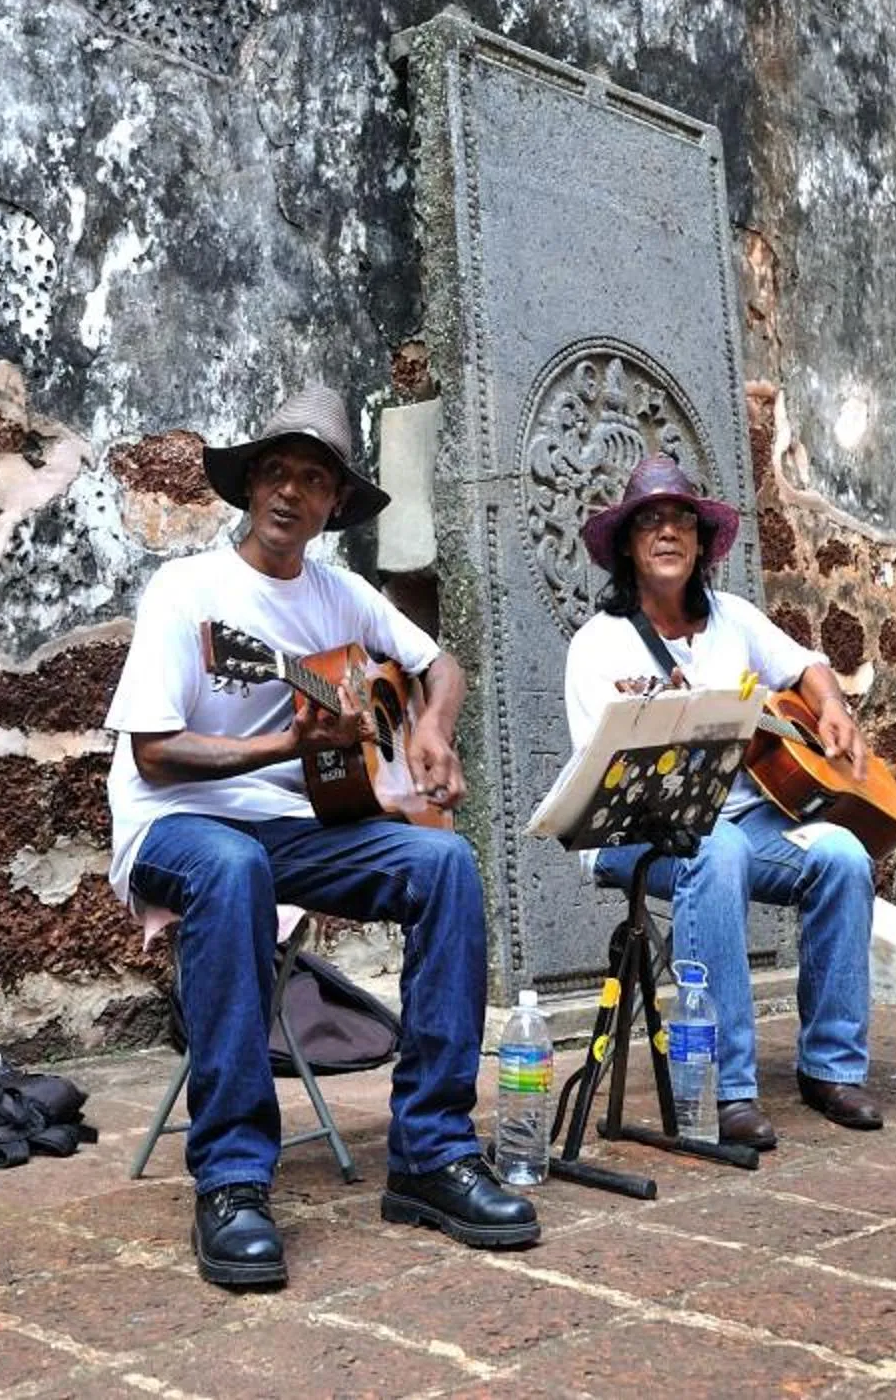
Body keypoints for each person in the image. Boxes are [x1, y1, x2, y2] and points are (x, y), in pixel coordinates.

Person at [104, 383, 539, 1290]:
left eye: (313, 478)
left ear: (336, 505)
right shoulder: (189, 594)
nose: (291, 493)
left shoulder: (342, 596)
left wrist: (430, 729)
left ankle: (430, 1152)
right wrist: (280, 742)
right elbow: (153, 754)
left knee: (446, 862)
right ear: (250, 486)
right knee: (229, 867)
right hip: (177, 826)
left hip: (295, 831)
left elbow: (439, 663)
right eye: (276, 472)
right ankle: (230, 1179)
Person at [562, 453, 883, 1145]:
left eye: (681, 519)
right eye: (649, 521)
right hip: (634, 832)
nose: (668, 531)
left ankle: (830, 1066)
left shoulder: (734, 620)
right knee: (719, 847)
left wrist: (832, 709)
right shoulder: (598, 646)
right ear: (627, 545)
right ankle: (723, 1083)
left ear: (702, 542)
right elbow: (609, 779)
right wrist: (667, 725)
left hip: (742, 821)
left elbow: (808, 667)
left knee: (844, 856)